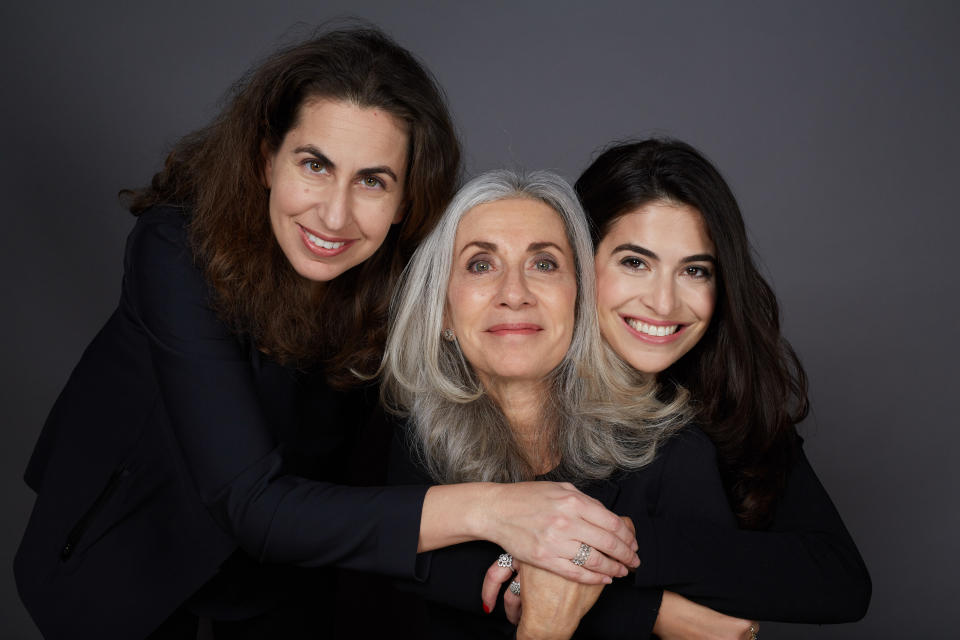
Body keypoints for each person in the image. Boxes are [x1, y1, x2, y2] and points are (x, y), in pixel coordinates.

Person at [14, 28, 638, 640]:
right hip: (127, 559)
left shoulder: (410, 281)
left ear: (404, 199)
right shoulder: (174, 250)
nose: (334, 215)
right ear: (266, 159)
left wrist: (554, 564)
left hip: (287, 583)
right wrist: (497, 511)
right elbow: (251, 503)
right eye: (315, 165)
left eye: (372, 180)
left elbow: (414, 473)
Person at [484, 138, 872, 637]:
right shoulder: (513, 382)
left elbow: (838, 581)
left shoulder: (717, 411)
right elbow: (454, 573)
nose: (663, 303)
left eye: (694, 270)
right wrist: (655, 611)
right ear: (580, 261)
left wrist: (621, 544)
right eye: (634, 262)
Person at [381, 169, 762, 638]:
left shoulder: (674, 452)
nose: (514, 294)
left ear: (581, 297)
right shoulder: (396, 448)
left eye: (544, 264)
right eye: (481, 264)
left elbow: (730, 630)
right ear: (442, 309)